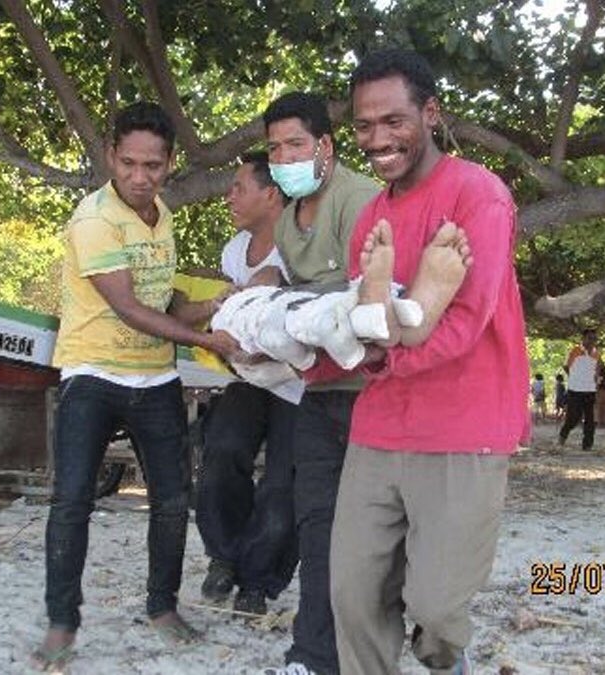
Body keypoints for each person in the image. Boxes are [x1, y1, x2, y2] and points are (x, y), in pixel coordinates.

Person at [311, 49, 529, 675]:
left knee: (436, 609)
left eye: (394, 121)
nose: (377, 139)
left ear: (430, 113)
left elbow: (466, 324)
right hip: (379, 430)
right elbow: (357, 323)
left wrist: (375, 357)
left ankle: (444, 662)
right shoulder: (373, 217)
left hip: (465, 431)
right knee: (353, 596)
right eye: (362, 126)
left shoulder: (479, 194)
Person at [31, 101, 242, 671]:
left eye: (152, 166)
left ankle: (162, 607)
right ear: (110, 157)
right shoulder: (94, 220)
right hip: (92, 374)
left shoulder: (162, 214)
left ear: (169, 162)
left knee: (173, 501)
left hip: (156, 379)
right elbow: (127, 308)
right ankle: (61, 622)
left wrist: (211, 308)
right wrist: (207, 343)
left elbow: (162, 299)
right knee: (72, 500)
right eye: (129, 164)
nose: (140, 177)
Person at [257, 91, 380, 675]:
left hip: (373, 397)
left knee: (371, 537)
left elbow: (372, 295)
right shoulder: (285, 218)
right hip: (318, 392)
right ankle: (311, 656)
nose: (284, 156)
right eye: (275, 147)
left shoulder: (360, 200)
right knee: (316, 524)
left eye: (296, 144)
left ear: (325, 146)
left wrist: (289, 308)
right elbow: (293, 304)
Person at [195, 152, 297, 616]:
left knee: (283, 486)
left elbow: (280, 288)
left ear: (270, 193)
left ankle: (259, 581)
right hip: (249, 376)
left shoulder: (304, 243)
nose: (229, 195)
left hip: (298, 382)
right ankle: (224, 557)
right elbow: (233, 313)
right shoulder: (234, 250)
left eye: (239, 187)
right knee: (221, 450)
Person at [559, 329, 601, 451]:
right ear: (583, 339)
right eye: (590, 338)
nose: (592, 341)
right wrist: (575, 379)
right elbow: (566, 366)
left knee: (590, 419)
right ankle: (563, 433)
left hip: (590, 391)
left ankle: (587, 445)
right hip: (575, 391)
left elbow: (597, 371)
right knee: (573, 418)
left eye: (594, 338)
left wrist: (596, 383)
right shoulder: (575, 351)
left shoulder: (597, 354)